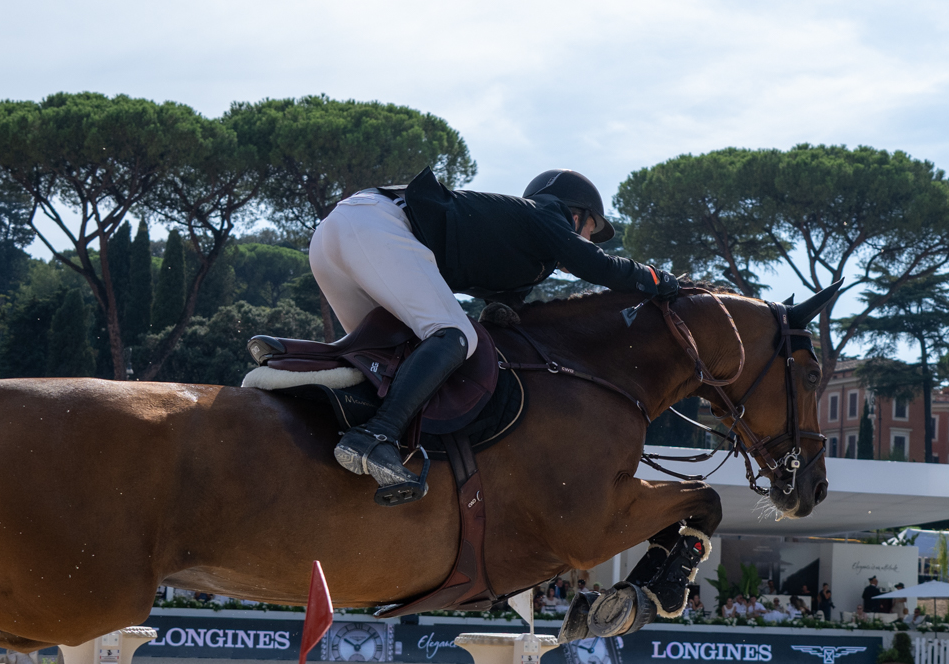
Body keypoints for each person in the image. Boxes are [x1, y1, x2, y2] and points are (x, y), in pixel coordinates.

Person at [261, 168, 682, 505]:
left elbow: (505, 304)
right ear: (576, 215)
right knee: (453, 333)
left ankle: (298, 367)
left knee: (385, 355)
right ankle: (375, 436)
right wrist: (655, 279)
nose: (587, 238)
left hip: (334, 237)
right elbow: (598, 266)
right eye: (591, 229)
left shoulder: (519, 247)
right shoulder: (547, 213)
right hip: (374, 223)